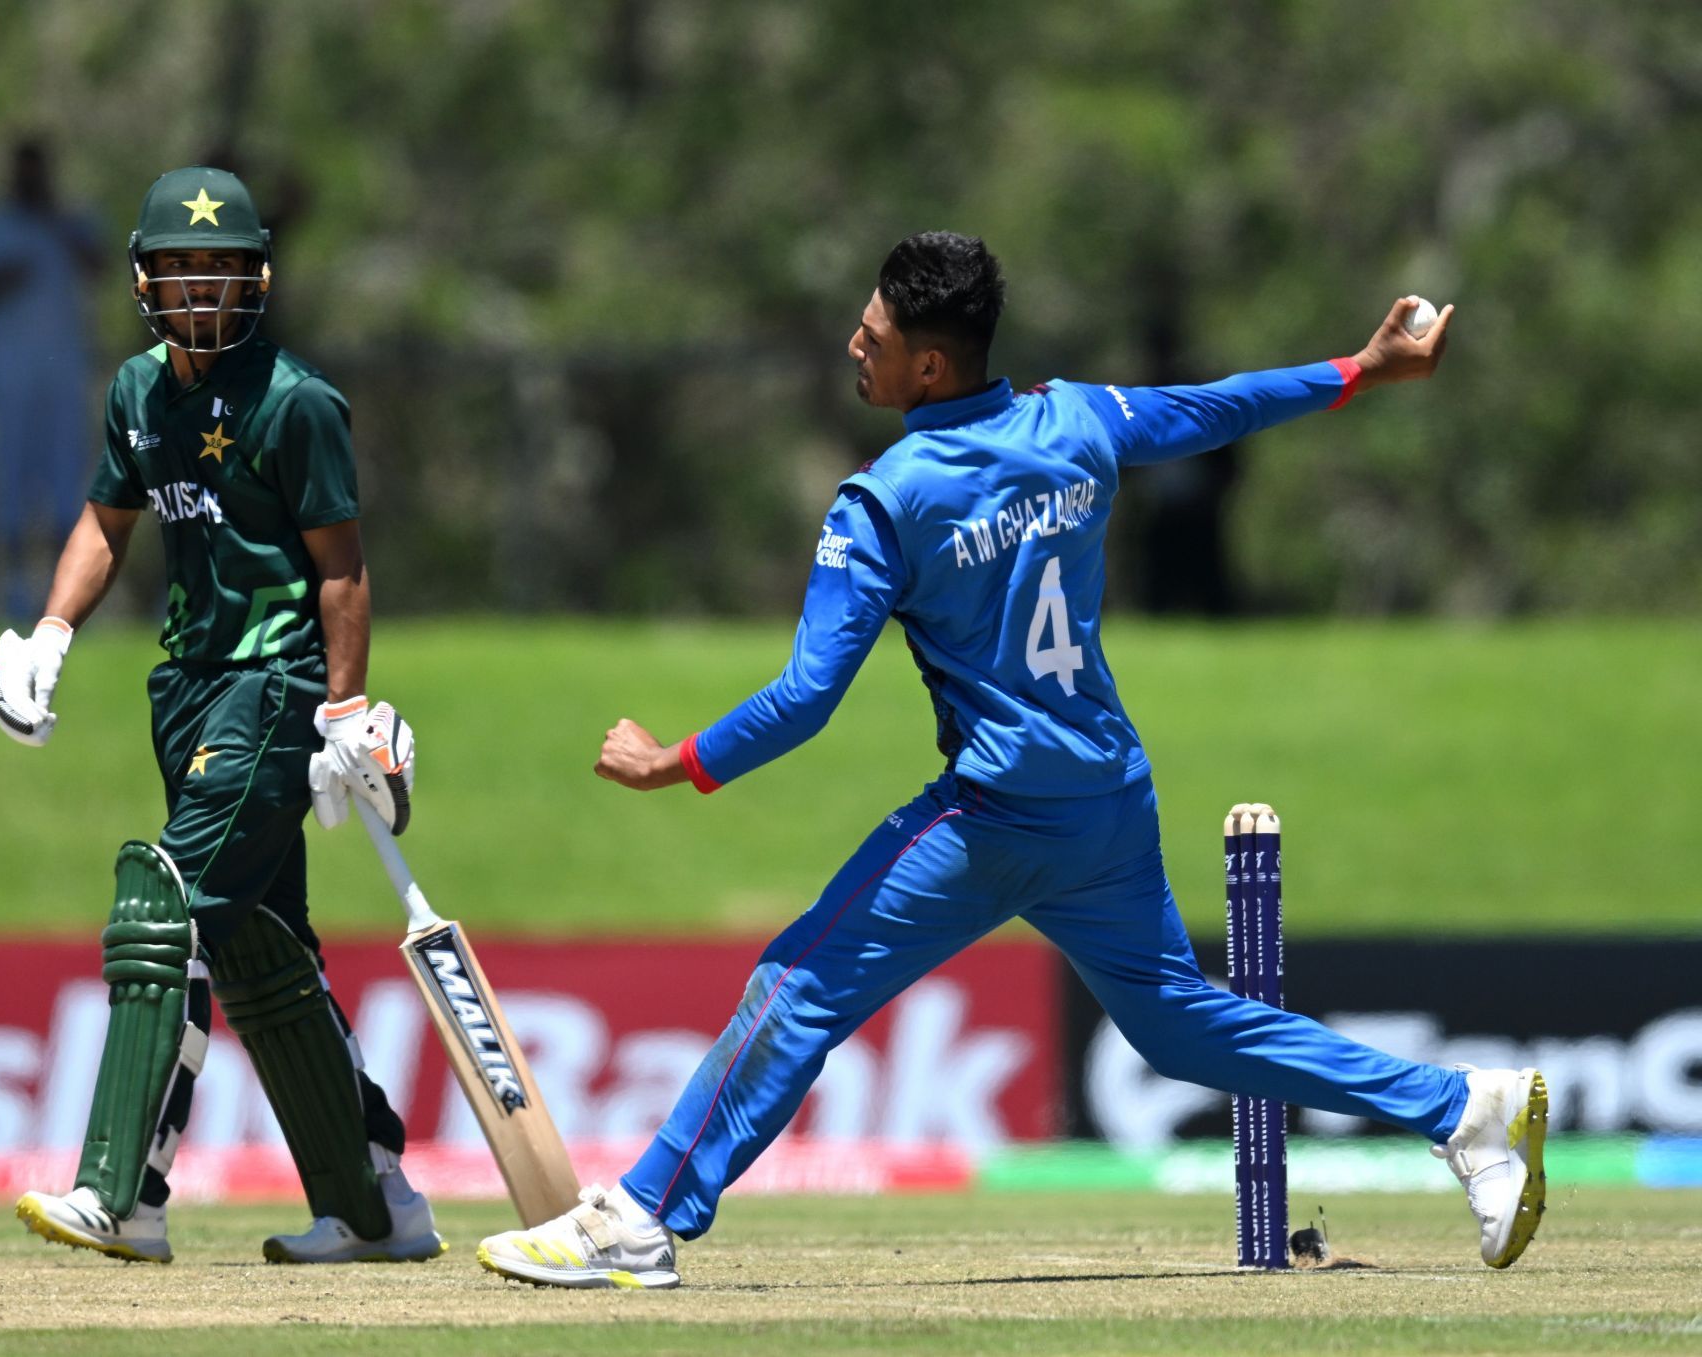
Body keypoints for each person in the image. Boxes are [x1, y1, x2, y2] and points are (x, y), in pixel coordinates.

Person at [475, 233, 1547, 1289]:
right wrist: (1359, 370)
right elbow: (1216, 406)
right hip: (1106, 799)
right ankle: (1463, 1107)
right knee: (1182, 1025)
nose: (855, 343)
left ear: (927, 367)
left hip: (996, 815)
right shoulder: (1075, 418)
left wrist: (673, 762)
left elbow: (806, 699)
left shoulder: (887, 500)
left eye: (874, 333)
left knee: (796, 985)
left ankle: (642, 1217)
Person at [0, 165, 442, 1265]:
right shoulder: (139, 391)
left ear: (260, 278)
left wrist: (343, 710)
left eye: (223, 270)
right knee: (259, 950)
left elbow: (342, 569)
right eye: (183, 270)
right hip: (185, 682)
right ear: (143, 277)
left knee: (167, 904)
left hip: (273, 682)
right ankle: (375, 1204)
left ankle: (123, 1194)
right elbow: (106, 519)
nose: (201, 292)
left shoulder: (298, 401)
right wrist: (49, 634)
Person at [0, 140, 106, 616]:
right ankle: (16, 592)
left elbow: (102, 263)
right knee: (11, 479)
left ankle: (67, 593)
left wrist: (61, 226)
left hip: (63, 373)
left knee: (68, 482)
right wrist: (4, 274)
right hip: (9, 375)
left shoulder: (67, 225)